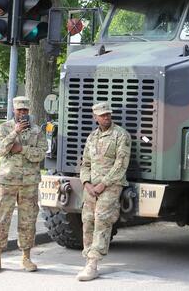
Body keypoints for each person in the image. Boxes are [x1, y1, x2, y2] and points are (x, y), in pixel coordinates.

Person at [0, 96, 47, 273]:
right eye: (19, 110)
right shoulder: (3, 128)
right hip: (7, 181)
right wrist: (14, 133)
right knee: (1, 218)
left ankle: (26, 257)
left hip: (29, 183)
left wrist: (22, 149)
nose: (22, 113)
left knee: (28, 220)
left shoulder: (37, 131)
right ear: (14, 110)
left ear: (29, 111)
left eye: (25, 111)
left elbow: (42, 154)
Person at [77, 101, 132, 281]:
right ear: (95, 117)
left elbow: (121, 165)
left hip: (111, 185)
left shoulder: (121, 135)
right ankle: (88, 257)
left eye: (108, 114)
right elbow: (85, 163)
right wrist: (86, 183)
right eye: (102, 115)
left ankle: (93, 263)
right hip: (91, 187)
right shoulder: (92, 137)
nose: (106, 117)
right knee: (87, 220)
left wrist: (103, 184)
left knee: (102, 220)